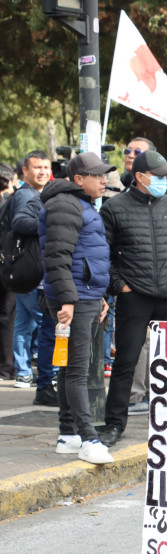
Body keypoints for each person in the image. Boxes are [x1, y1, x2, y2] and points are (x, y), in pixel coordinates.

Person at [99, 150, 167, 446]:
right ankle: (114, 424)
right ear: (140, 177)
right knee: (125, 362)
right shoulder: (114, 208)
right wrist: (120, 285)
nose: (164, 180)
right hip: (135, 297)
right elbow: (103, 255)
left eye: (166, 175)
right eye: (158, 176)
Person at [39, 152, 114, 464]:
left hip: (83, 296)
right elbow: (58, 258)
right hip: (74, 299)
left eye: (104, 175)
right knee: (77, 370)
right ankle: (88, 438)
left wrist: (99, 295)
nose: (104, 180)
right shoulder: (66, 205)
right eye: (97, 175)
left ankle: (68, 434)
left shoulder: (75, 204)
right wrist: (69, 300)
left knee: (69, 367)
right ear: (78, 179)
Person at [10, 150, 59, 406]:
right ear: (25, 171)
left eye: (45, 167)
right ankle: (44, 383)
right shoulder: (27, 196)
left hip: (25, 274)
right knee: (46, 327)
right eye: (36, 167)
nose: (42, 172)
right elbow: (20, 224)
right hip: (32, 274)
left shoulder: (32, 194)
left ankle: (26, 373)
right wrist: (51, 222)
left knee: (26, 323)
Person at [0, 163, 16, 381]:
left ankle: (6, 366)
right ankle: (6, 366)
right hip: (8, 266)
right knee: (8, 315)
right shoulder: (12, 202)